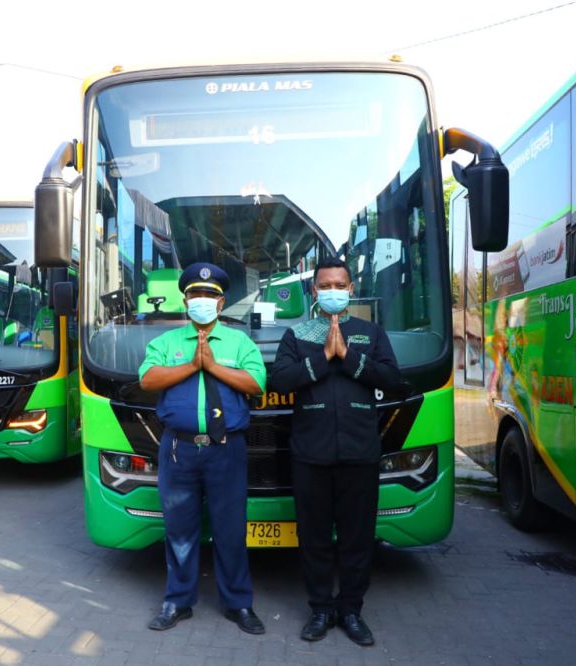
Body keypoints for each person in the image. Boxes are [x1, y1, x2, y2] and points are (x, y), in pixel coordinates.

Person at [269, 257, 404, 646]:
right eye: (324, 285)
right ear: (314, 291)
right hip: (310, 454)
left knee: (357, 538)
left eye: (338, 285)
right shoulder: (298, 335)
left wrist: (348, 357)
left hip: (360, 453)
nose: (332, 291)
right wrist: (323, 357)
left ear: (350, 289)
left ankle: (351, 610)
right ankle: (320, 610)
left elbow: (393, 380)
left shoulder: (370, 332)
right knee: (313, 538)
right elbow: (280, 379)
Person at [139, 263, 267, 635]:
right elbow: (148, 378)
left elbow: (256, 383)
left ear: (221, 301)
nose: (203, 301)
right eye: (196, 294)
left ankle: (238, 604)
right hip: (179, 451)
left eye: (210, 296)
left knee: (230, 530)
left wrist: (212, 366)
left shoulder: (240, 343)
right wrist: (192, 363)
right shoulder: (166, 343)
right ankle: (178, 602)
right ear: (186, 299)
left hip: (226, 450)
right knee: (179, 529)